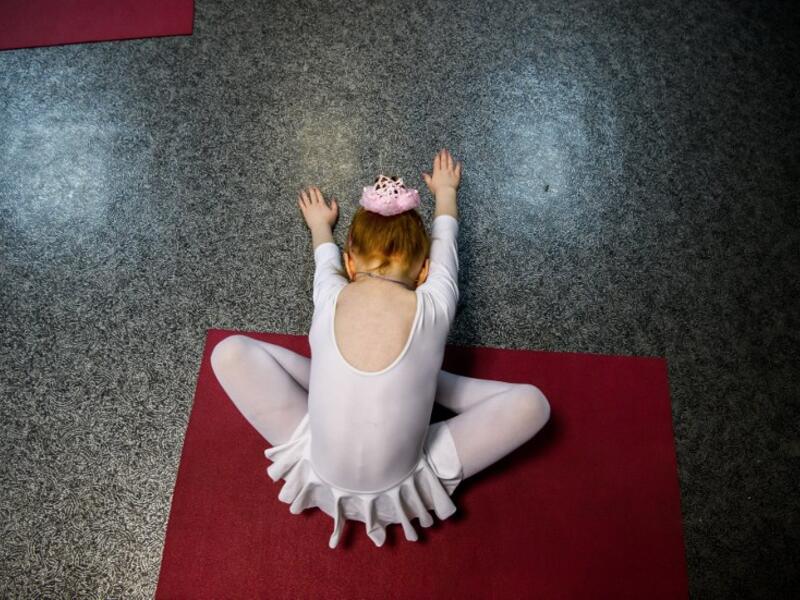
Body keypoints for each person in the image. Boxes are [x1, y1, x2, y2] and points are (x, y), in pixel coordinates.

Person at [210, 148, 551, 549]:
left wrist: (321, 226)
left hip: (319, 476)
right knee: (534, 404)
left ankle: (353, 377)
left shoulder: (331, 293)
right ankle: (428, 381)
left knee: (228, 352)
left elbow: (325, 259)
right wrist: (445, 192)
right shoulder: (436, 302)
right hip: (402, 493)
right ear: (423, 271)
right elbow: (446, 246)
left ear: (350, 264)